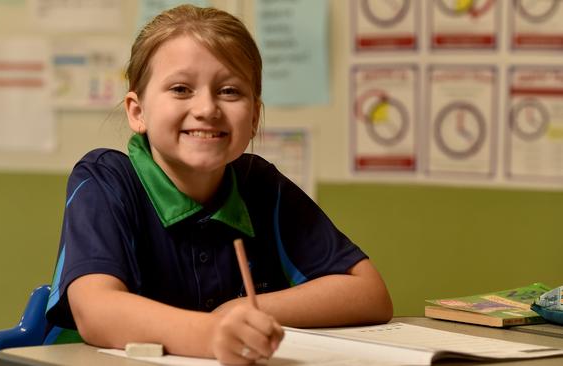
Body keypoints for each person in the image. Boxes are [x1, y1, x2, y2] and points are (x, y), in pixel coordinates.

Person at [46, 4, 392, 365]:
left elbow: (369, 293)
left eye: (229, 91)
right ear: (138, 111)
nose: (207, 108)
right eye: (181, 89)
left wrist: (238, 311)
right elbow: (96, 310)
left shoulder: (260, 183)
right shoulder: (106, 179)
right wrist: (212, 334)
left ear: (254, 116)